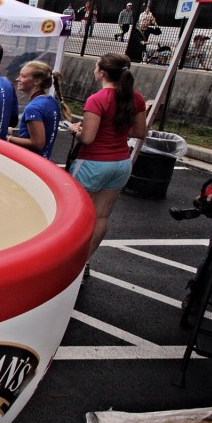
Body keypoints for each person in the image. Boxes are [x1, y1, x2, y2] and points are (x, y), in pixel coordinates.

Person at [68, 53, 148, 270]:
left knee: (72, 212)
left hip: (93, 162)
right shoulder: (136, 97)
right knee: (101, 215)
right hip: (122, 162)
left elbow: (88, 138)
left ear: (102, 72)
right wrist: (116, 129)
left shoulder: (97, 99)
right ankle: (83, 263)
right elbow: (140, 131)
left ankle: (67, 265)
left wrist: (75, 130)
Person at [6, 61, 68, 159]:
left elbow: (38, 143)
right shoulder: (51, 101)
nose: (18, 79)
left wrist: (8, 138)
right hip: (45, 160)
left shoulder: (33, 108)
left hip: (31, 161)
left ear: (37, 81)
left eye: (23, 76)